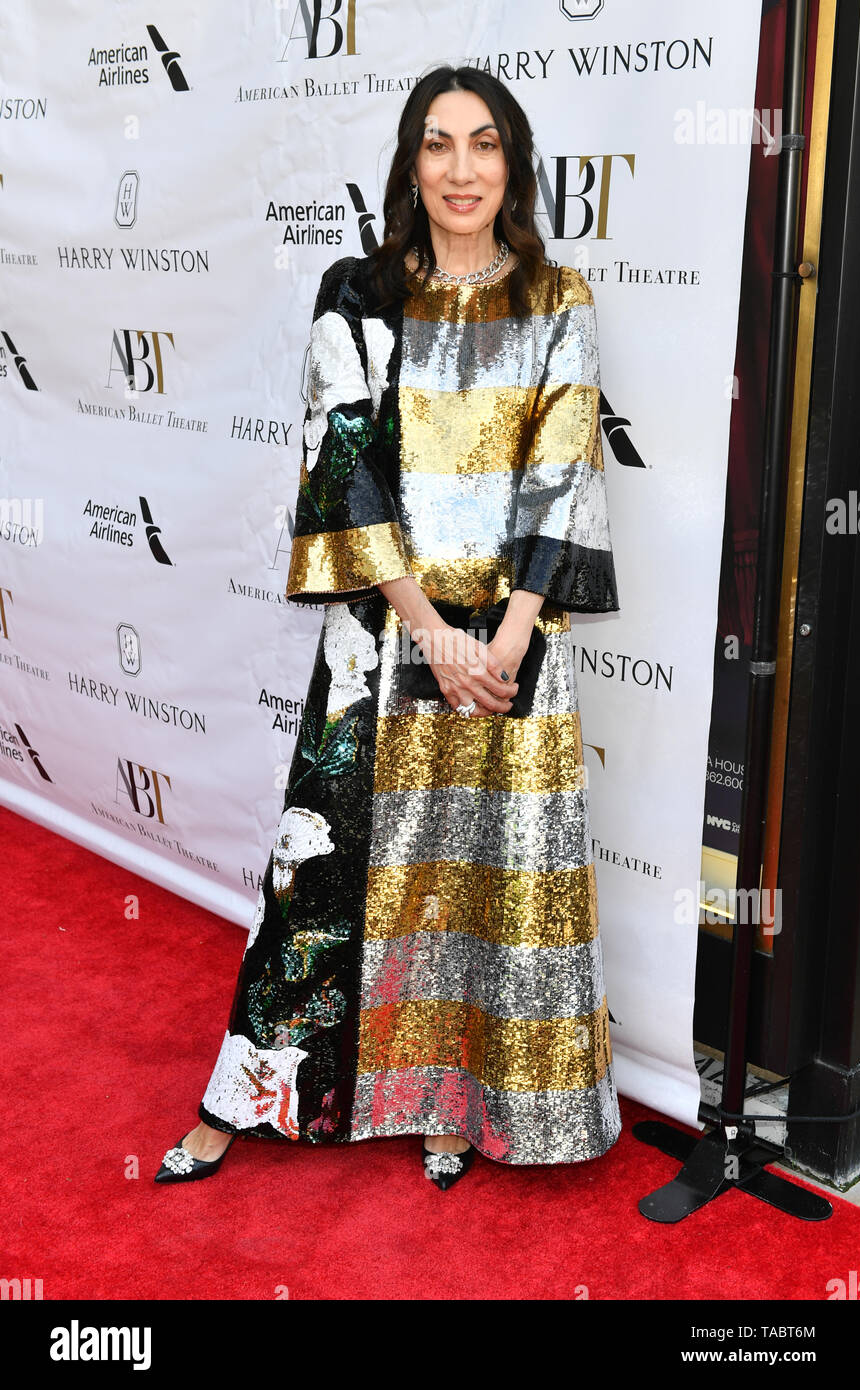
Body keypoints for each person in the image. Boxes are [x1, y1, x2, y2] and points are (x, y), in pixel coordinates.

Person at [155, 64, 621, 1193]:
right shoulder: (354, 291)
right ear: (410, 164)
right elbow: (345, 469)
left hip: (514, 649)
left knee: (479, 881)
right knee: (313, 884)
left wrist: (501, 643)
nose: (460, 169)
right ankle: (241, 1098)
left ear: (510, 164)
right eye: (436, 145)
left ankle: (449, 1104)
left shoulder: (556, 297)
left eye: (483, 145)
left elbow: (562, 477)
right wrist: (432, 635)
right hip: (382, 642)